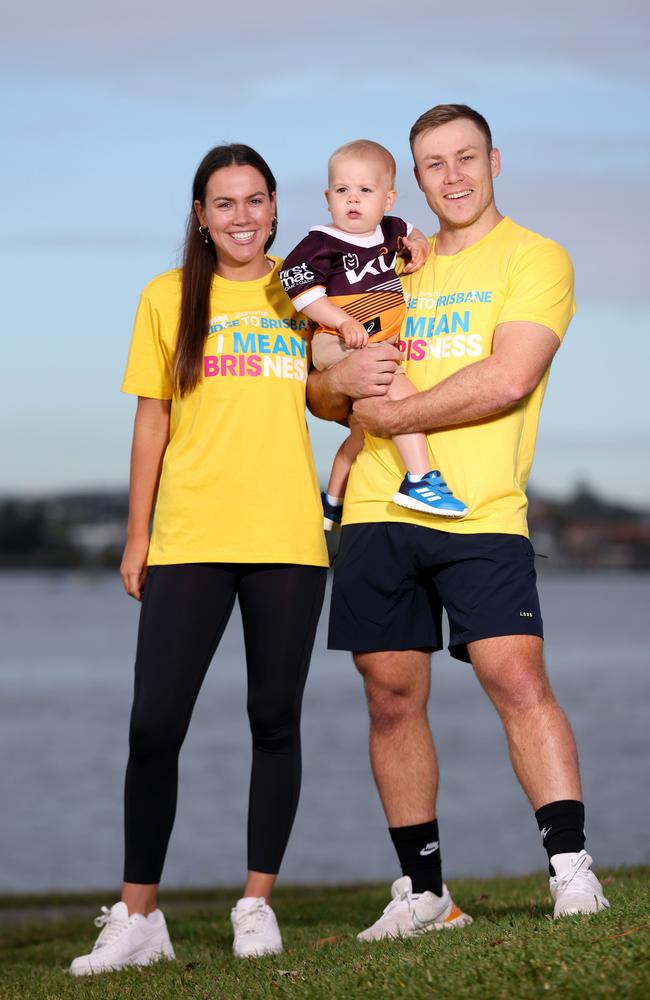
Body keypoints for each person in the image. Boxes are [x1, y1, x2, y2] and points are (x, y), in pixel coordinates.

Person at [307, 104, 609, 940]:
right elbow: (321, 389)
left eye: (466, 157)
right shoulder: (388, 261)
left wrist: (394, 417)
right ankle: (425, 892)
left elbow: (507, 379)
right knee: (391, 697)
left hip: (479, 509)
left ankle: (572, 870)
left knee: (517, 680)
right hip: (374, 507)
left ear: (494, 161)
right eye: (434, 163)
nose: (453, 176)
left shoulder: (537, 257)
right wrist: (343, 379)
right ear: (414, 178)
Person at [69, 144, 328, 974]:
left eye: (256, 200)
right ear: (201, 216)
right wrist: (138, 533)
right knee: (153, 728)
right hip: (189, 539)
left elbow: (377, 328)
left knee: (274, 722)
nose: (243, 216)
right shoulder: (166, 297)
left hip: (288, 539)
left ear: (277, 208)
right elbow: (152, 421)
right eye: (225, 203)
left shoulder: (307, 292)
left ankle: (256, 903)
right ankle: (140, 917)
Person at [280, 139, 467, 529]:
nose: (353, 200)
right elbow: (299, 287)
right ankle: (419, 478)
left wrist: (417, 245)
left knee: (364, 430)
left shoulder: (387, 229)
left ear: (388, 198)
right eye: (343, 190)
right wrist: (340, 320)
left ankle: (332, 501)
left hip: (371, 337)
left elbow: (411, 229)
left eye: (365, 191)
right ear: (328, 197)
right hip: (340, 338)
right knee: (403, 394)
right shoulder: (321, 242)